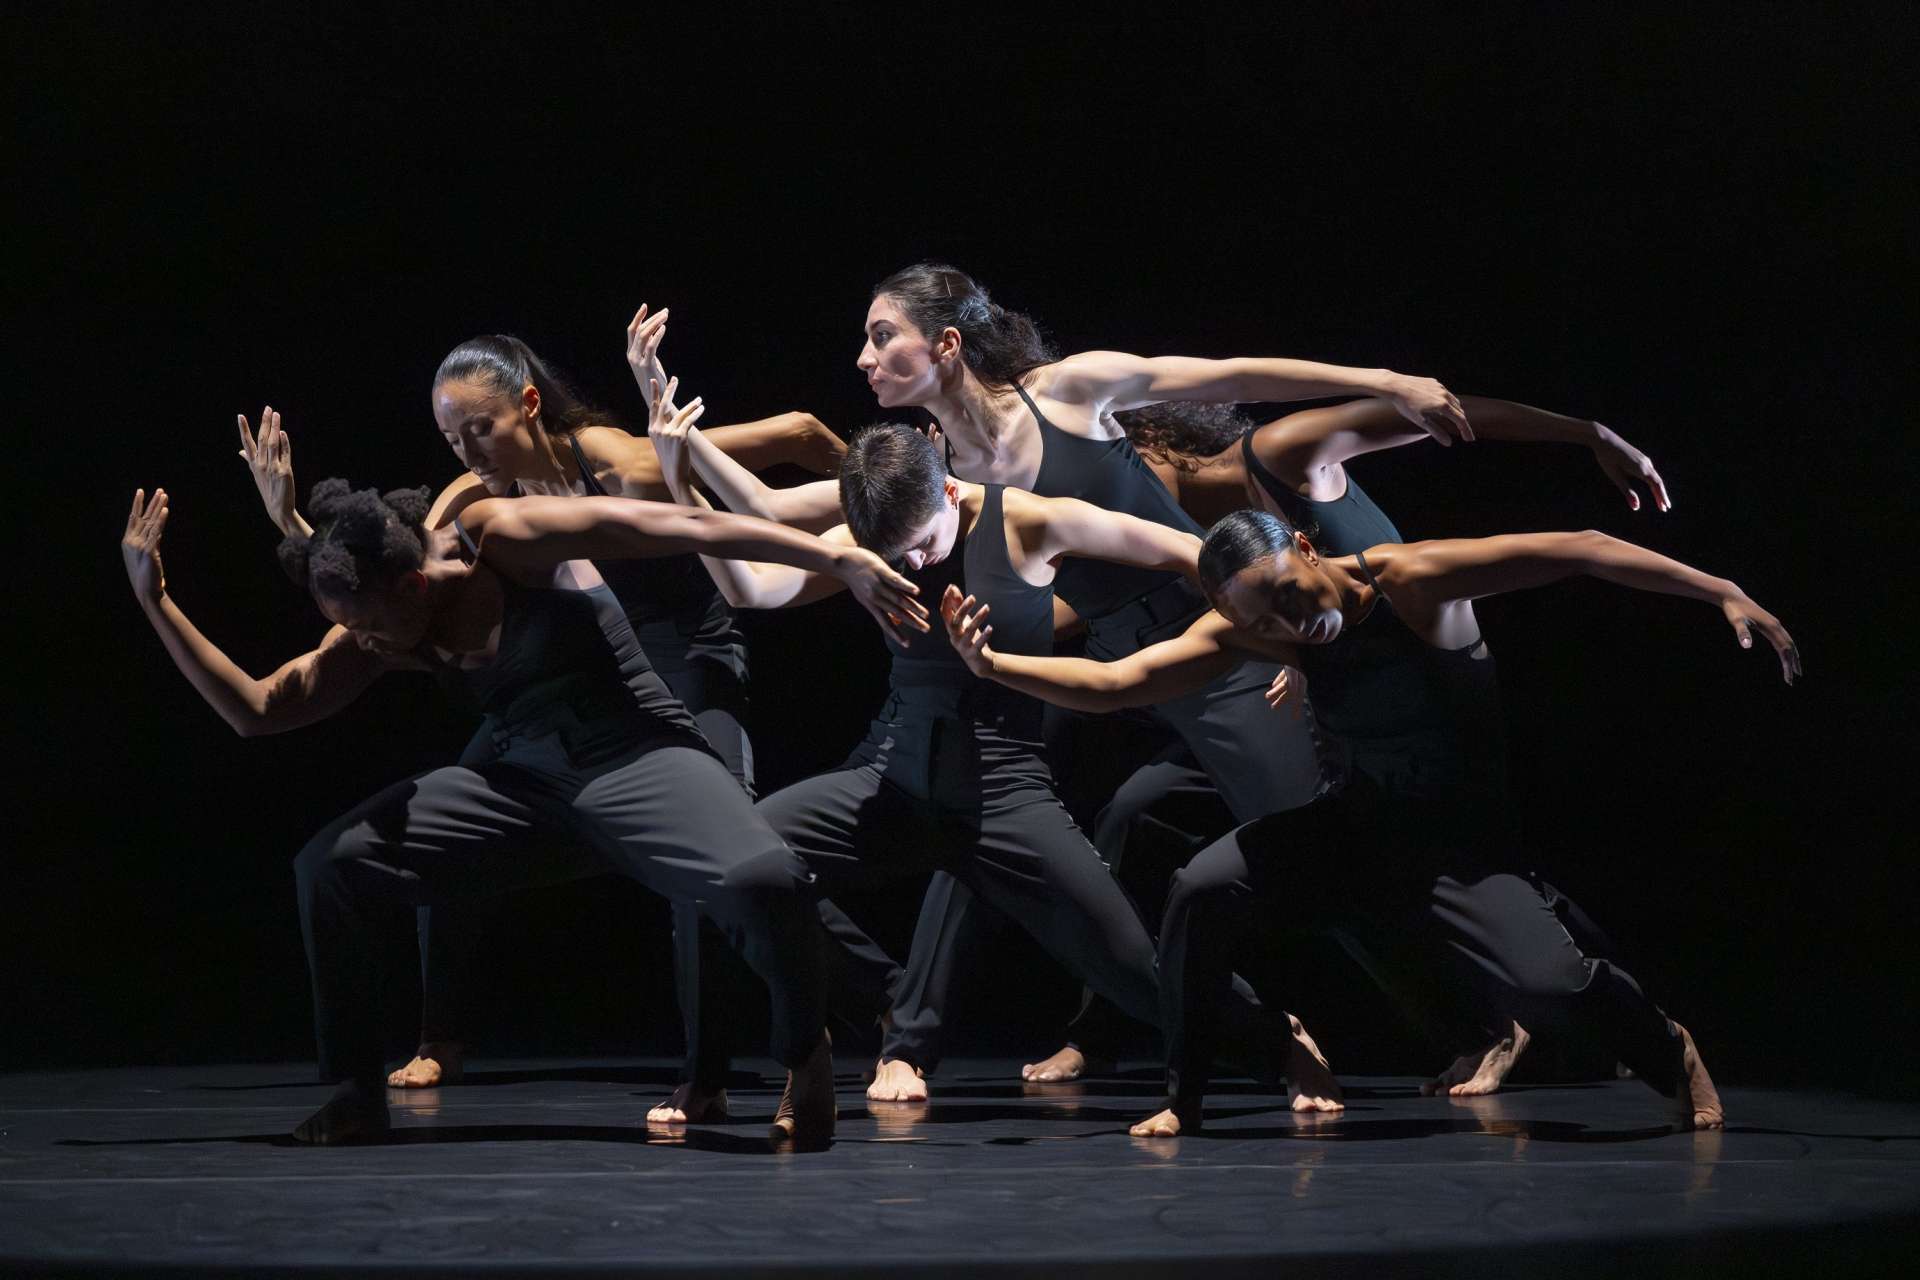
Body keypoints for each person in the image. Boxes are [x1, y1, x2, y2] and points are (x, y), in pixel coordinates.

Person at [121, 444, 920, 1146]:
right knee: (330, 863)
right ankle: (358, 1093)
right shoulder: (387, 616)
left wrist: (837, 560)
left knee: (765, 879)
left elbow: (693, 529)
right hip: (523, 785)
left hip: (635, 758)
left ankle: (804, 1056)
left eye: (367, 626)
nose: (360, 645)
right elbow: (261, 710)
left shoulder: (509, 540)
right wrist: (157, 602)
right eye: (350, 630)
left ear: (411, 583)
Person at [940, 506, 1798, 1135]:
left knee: (1551, 987)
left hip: (1460, 845)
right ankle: (1185, 1096)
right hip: (1354, 827)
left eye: (1285, 593)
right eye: (1260, 620)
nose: (1286, 624)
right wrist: (993, 663)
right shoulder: (1251, 629)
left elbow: (1582, 550)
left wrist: (1717, 589)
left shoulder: (1414, 581)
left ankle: (1667, 1046)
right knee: (1199, 889)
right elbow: (1119, 683)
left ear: (1306, 546)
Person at [234, 322, 891, 1123]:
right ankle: (439, 1036)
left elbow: (788, 436)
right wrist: (295, 530)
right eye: (450, 435)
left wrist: (885, 492)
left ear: (528, 406)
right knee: (444, 812)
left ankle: (720, 1067)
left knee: (733, 853)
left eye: (480, 427)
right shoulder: (471, 501)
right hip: (568, 669)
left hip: (682, 645)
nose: (468, 450)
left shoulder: (611, 458)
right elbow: (395, 578)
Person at [846, 262, 1476, 1090]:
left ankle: (1484, 1016)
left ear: (947, 344)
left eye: (882, 334)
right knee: (1000, 803)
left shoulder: (1067, 391)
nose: (863, 356)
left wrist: (1387, 381)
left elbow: (1228, 374)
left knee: (1313, 836)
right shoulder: (941, 464)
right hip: (1109, 655)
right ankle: (1005, 1037)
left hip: (1209, 639)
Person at [646, 417, 1343, 1108]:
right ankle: (781, 1047)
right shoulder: (871, 546)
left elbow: (1199, 557)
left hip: (1004, 793)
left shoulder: (1031, 524)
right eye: (891, 553)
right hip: (890, 776)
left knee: (1135, 969)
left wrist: (1291, 644)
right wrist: (681, 480)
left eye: (920, 546)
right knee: (729, 862)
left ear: (950, 493)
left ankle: (1278, 1044)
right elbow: (752, 589)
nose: (910, 566)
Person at [1034, 392, 1672, 1094]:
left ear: (1145, 447)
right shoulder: (1206, 531)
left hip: (1415, 685)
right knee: (1144, 810)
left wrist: (1587, 431)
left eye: (1113, 479)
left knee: (1415, 859)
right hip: (1317, 697)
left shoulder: (1280, 453)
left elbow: (1448, 417)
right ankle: (1113, 1031)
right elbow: (1124, 608)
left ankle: (1526, 1018)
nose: (1110, 503)